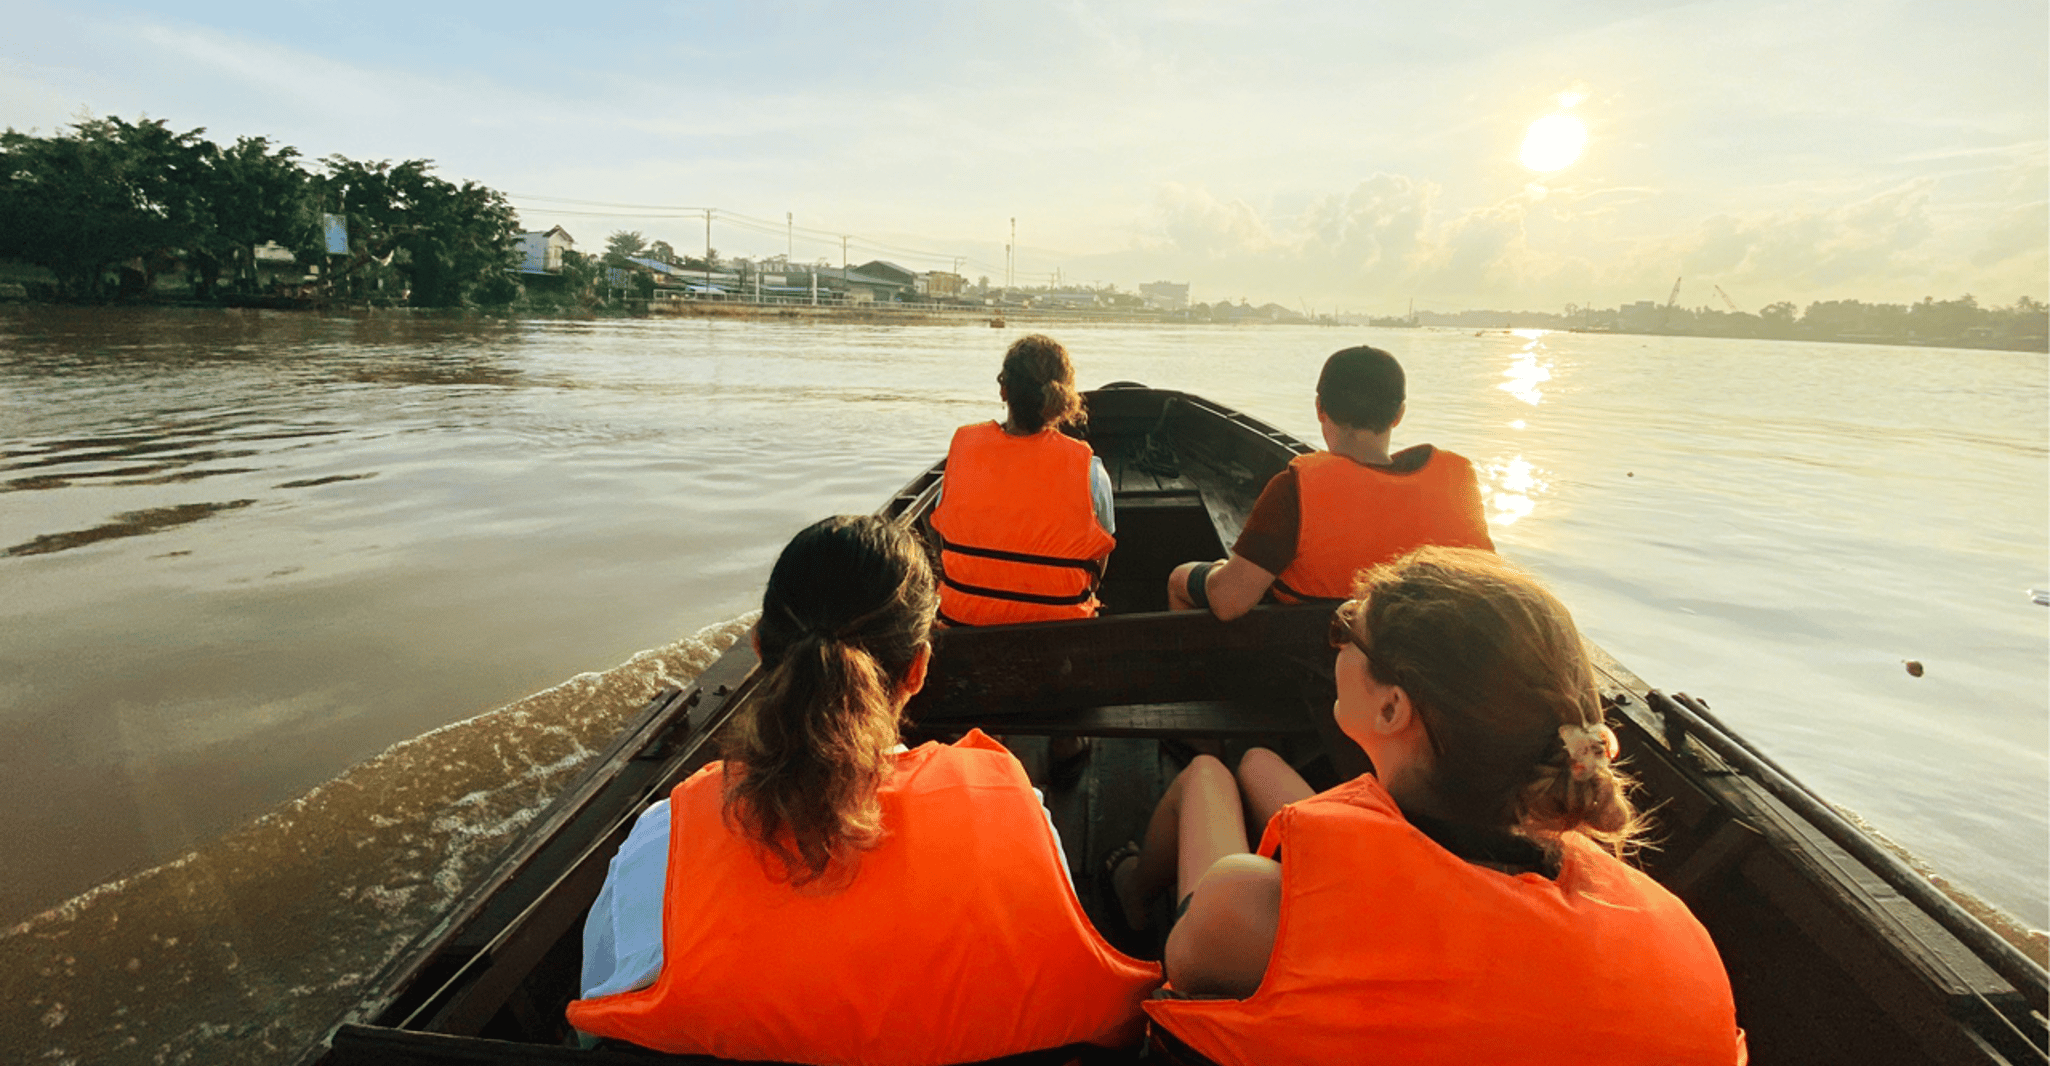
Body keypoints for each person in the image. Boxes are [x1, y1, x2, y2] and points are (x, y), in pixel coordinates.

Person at [1115, 547, 1746, 1065]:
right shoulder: (1682, 941)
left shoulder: (1247, 912)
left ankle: (1127, 890)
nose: (1335, 644)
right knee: (1256, 765)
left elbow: (1187, 965)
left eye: (1345, 631)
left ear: (1391, 709)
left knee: (1207, 775)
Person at [567, 516, 1159, 1063]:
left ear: (759, 652)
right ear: (919, 669)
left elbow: (600, 1026)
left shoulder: (664, 841)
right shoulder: (1020, 813)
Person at [1168, 345, 1493, 620]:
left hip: (1315, 668)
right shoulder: (1457, 485)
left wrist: (1218, 570)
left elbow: (1229, 603)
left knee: (1181, 577)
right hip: (1422, 668)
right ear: (1399, 414)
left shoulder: (1294, 490)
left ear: (1320, 407)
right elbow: (1490, 592)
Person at [929, 333, 1116, 627]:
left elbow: (941, 536)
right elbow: (1098, 562)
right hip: (1062, 628)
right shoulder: (1090, 471)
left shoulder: (962, 450)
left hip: (961, 623)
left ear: (1004, 390)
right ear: (1062, 399)